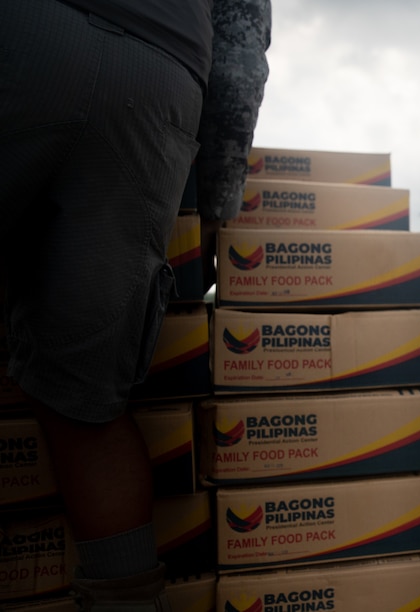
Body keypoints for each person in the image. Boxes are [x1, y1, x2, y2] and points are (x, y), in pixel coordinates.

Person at [0, 2, 270, 610]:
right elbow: (243, 42)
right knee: (87, 402)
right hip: (160, 78)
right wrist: (218, 201)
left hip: (24, 32)